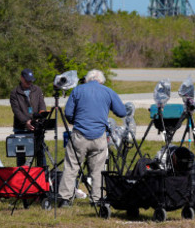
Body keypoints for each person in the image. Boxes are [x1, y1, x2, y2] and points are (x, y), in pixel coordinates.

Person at [58, 69, 127, 206]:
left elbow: (68, 113)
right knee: (98, 170)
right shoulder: (108, 91)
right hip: (99, 137)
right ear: (101, 81)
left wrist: (76, 122)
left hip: (79, 135)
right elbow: (122, 112)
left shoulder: (77, 90)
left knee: (72, 167)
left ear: (87, 79)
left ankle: (65, 198)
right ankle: (97, 199)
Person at [10, 68, 47, 167]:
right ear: (21, 78)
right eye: (27, 80)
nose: (29, 82)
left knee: (40, 153)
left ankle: (43, 176)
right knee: (21, 155)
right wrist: (26, 121)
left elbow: (42, 105)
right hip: (21, 128)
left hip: (36, 128)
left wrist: (40, 117)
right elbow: (16, 110)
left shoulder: (37, 90)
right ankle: (21, 177)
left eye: (31, 80)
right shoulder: (15, 93)